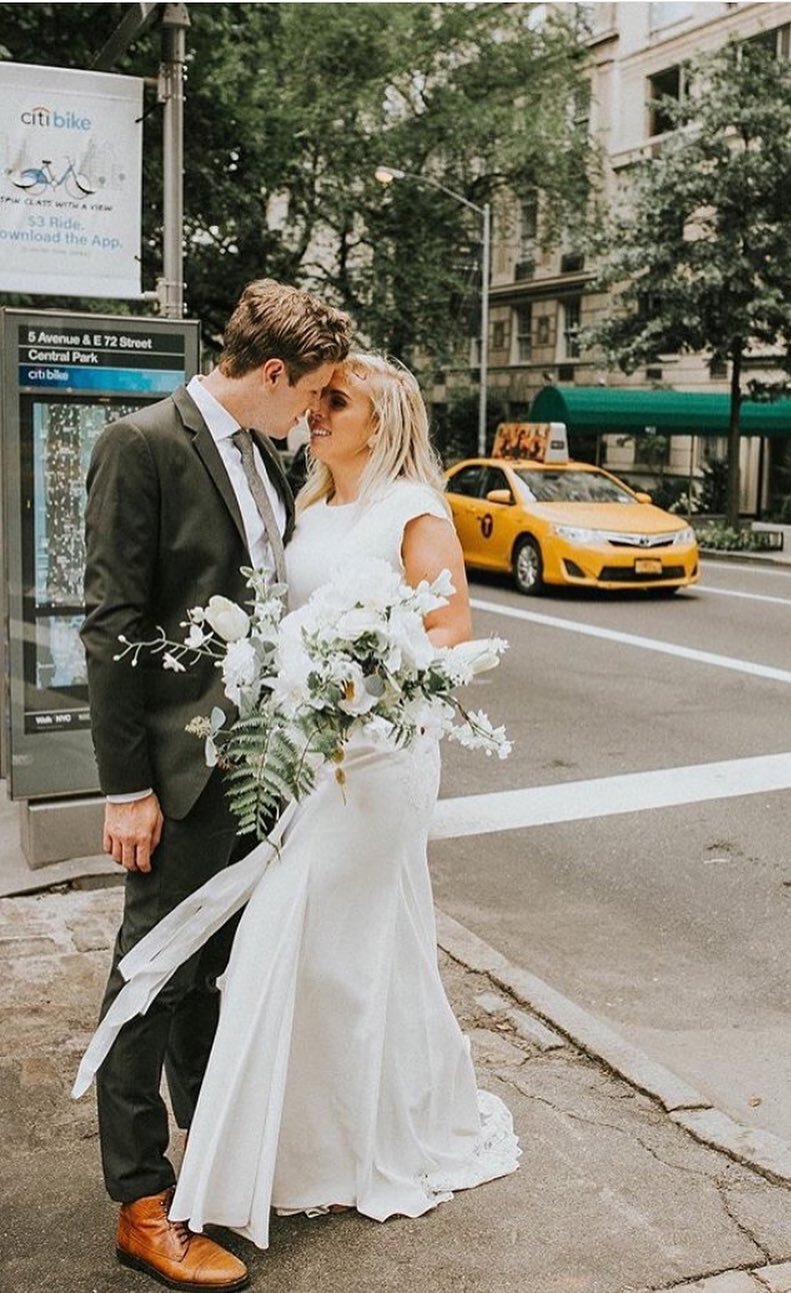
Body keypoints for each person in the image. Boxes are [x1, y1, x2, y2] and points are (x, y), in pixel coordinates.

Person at [164, 351, 520, 1248]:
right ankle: (308, 1143)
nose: (315, 413)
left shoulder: (414, 510)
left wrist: (366, 672)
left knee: (326, 941)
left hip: (376, 761)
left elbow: (450, 631)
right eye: (316, 398)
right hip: (303, 756)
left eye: (336, 401)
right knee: (336, 946)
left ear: (383, 417)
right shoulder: (309, 504)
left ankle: (346, 1143)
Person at [81, 279, 354, 1291]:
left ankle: (206, 1167)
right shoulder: (143, 444)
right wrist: (125, 790)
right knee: (149, 980)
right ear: (271, 372)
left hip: (254, 769)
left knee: (208, 982)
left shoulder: (260, 458)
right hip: (177, 770)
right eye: (311, 393)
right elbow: (112, 624)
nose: (312, 417)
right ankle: (141, 1205)